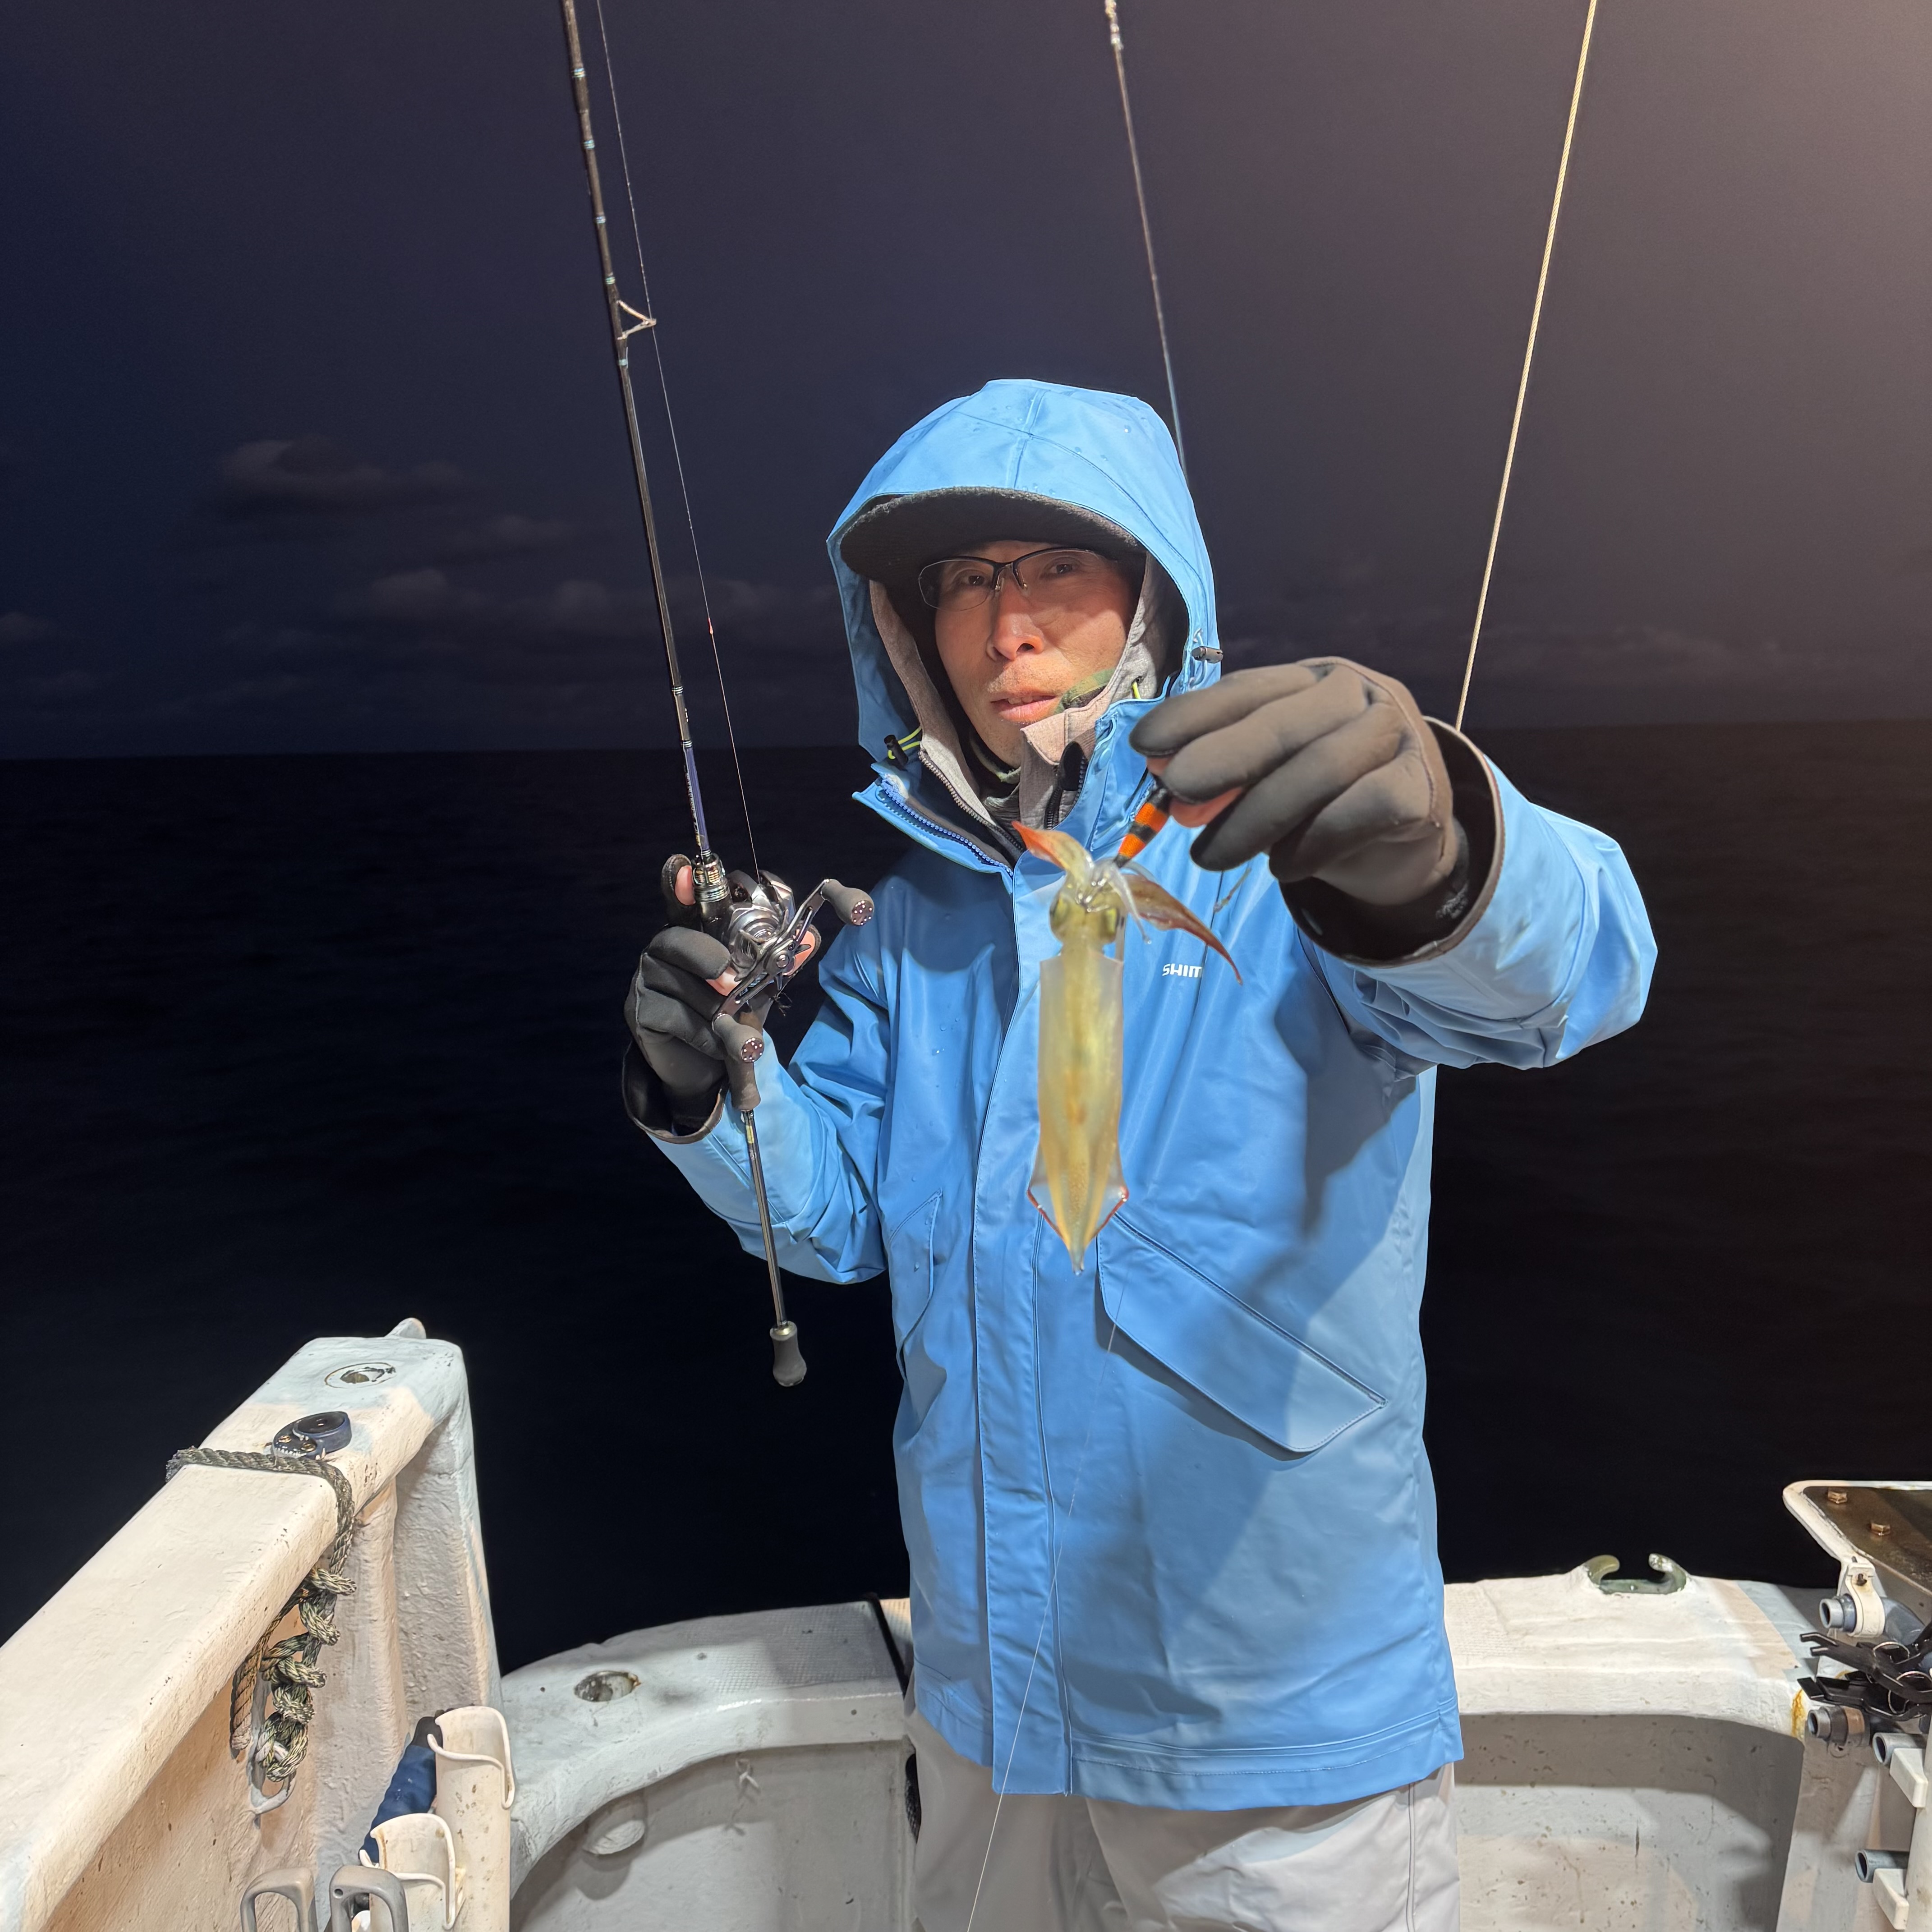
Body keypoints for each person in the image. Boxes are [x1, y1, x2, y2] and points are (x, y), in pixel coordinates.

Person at [623, 379, 1655, 1931]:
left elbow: (1577, 975)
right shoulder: (913, 921)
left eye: (1054, 567)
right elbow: (836, 1224)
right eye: (959, 582)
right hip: (989, 1707)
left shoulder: (1293, 857)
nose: (1005, 623)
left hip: (1270, 1730)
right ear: (906, 633)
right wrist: (714, 1094)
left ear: (1153, 595)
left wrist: (1443, 849)